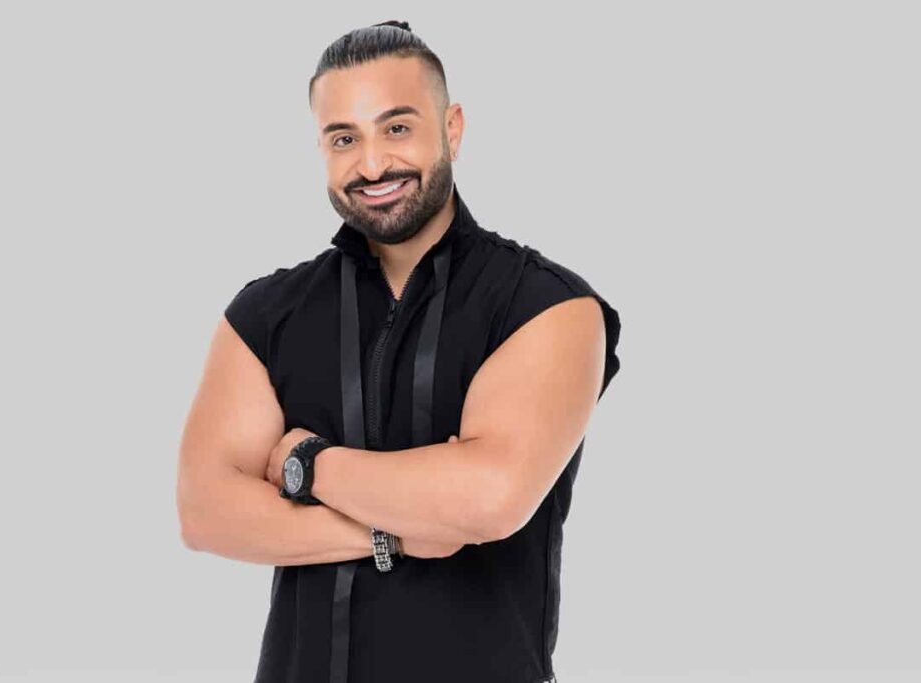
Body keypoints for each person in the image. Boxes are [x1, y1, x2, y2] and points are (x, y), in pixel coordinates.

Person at [177, 19, 621, 683]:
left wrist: (306, 464)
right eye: (344, 138)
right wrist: (398, 532)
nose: (373, 164)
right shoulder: (264, 315)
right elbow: (205, 511)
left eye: (397, 127)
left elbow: (489, 497)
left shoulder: (547, 305)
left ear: (452, 129)